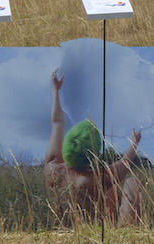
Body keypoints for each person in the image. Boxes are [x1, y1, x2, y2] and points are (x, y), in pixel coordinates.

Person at [44, 69, 143, 224]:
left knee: (112, 188)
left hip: (66, 228)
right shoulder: (94, 179)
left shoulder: (51, 167)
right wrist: (135, 142)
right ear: (93, 155)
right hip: (93, 230)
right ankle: (125, 233)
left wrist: (56, 90)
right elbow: (124, 163)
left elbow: (57, 122)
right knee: (131, 184)